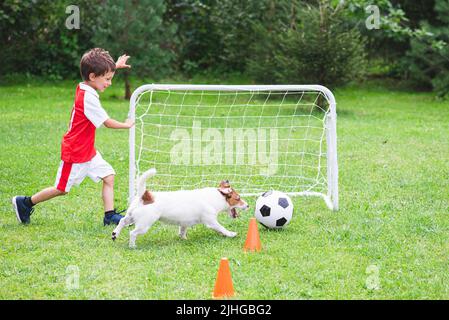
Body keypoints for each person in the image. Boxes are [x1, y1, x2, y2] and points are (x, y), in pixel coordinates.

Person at [12, 48, 134, 226]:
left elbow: (97, 75)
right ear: (93, 76)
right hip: (75, 152)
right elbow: (107, 122)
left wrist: (113, 66)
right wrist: (127, 124)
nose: (109, 83)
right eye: (107, 79)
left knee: (109, 176)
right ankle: (25, 203)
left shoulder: (86, 85)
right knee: (61, 189)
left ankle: (109, 216)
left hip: (88, 151)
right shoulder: (87, 98)